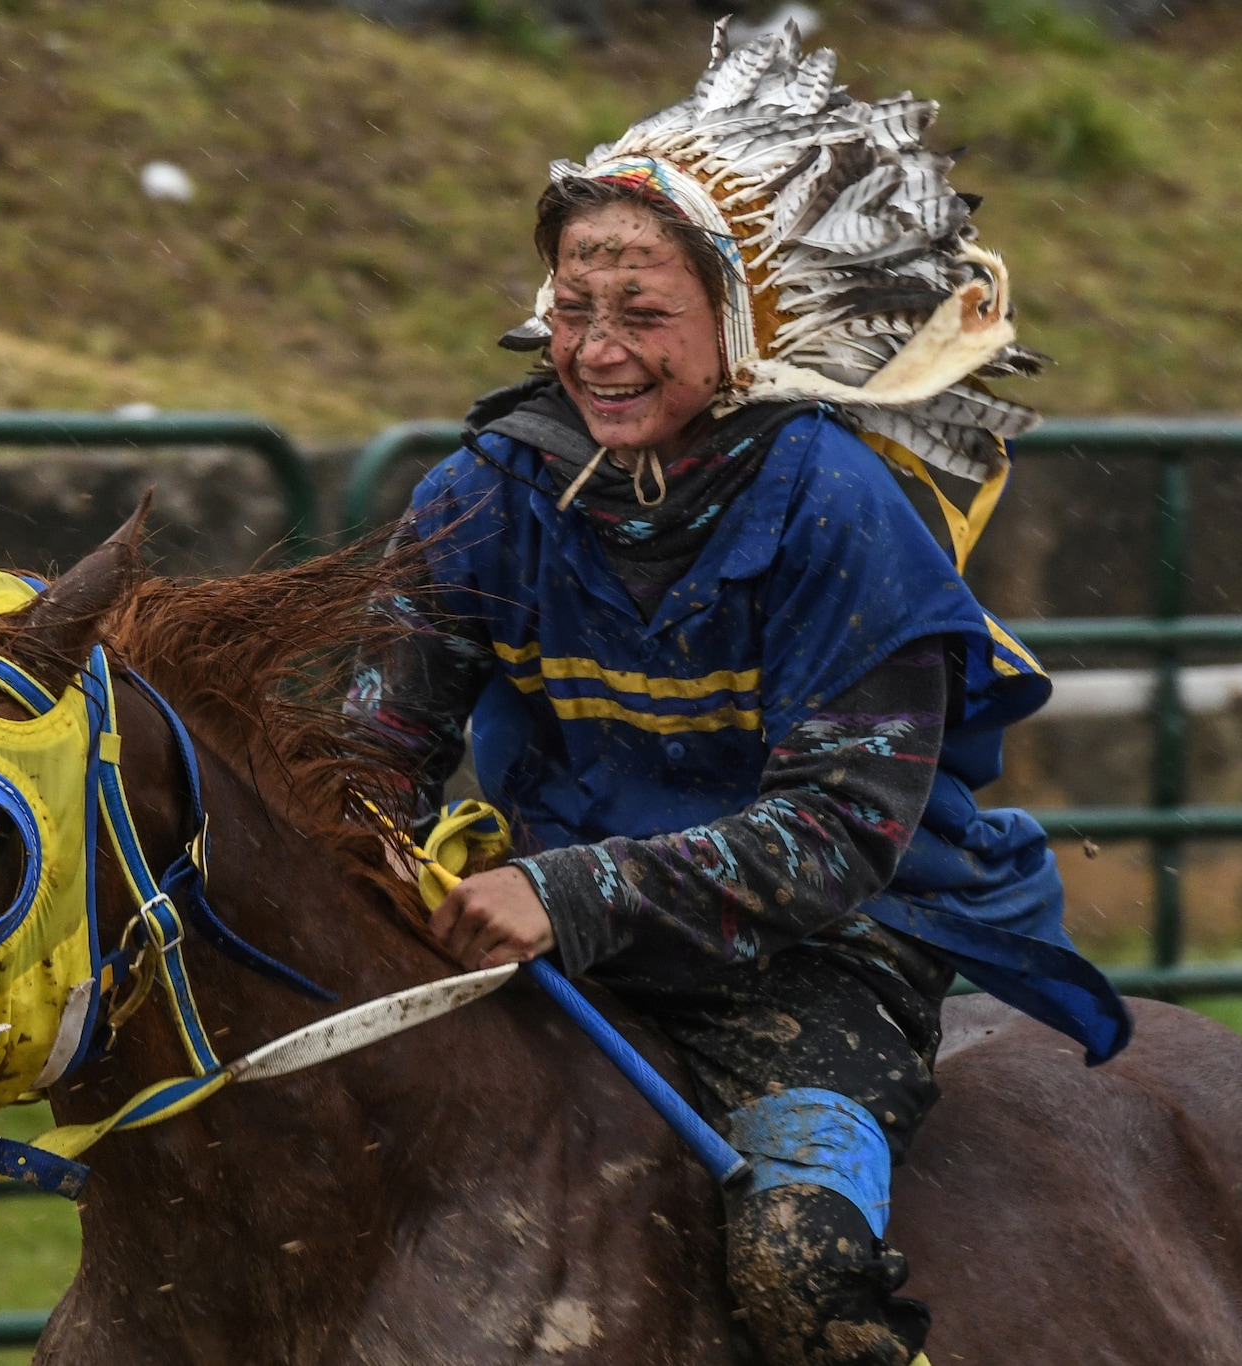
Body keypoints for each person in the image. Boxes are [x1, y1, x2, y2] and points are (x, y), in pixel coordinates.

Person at [348, 21, 1131, 1366]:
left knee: (796, 1262)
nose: (596, 349)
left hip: (819, 957)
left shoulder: (839, 511)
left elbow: (838, 835)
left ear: (743, 325)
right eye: (574, 309)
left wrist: (573, 890)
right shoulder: (477, 495)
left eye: (642, 314)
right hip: (527, 930)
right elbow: (365, 750)